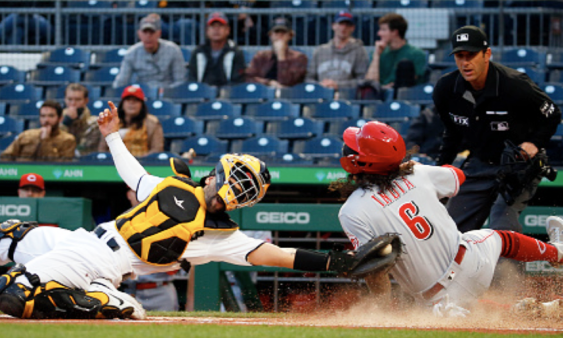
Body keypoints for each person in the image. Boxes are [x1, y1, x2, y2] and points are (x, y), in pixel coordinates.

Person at [0, 102, 394, 320]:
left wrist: (341, 263)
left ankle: (83, 296)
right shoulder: (173, 185)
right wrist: (111, 135)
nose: (234, 188)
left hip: (100, 263)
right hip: (80, 243)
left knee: (15, 295)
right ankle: (97, 298)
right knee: (12, 234)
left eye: (242, 186)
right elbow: (133, 173)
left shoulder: (220, 234)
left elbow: (282, 256)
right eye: (236, 179)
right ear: (215, 174)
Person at [332, 121, 563, 318]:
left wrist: (381, 311)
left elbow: (376, 270)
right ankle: (561, 254)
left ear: (356, 162)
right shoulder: (417, 172)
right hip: (474, 260)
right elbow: (458, 178)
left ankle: (504, 311)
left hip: (438, 298)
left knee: (458, 310)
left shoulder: (351, 211)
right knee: (500, 238)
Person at [433, 26, 562, 233]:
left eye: (472, 55)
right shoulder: (446, 89)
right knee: (450, 231)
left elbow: (552, 113)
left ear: (487, 54)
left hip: (518, 164)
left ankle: (511, 266)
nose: (466, 62)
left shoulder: (515, 84)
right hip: (479, 164)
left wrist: (534, 143)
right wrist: (440, 172)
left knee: (503, 225)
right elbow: (452, 134)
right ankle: (462, 266)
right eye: (460, 56)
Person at [120, 186, 179, 312]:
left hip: (160, 291)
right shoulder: (119, 223)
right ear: (128, 195)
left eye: (145, 189)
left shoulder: (166, 219)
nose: (140, 194)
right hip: (129, 291)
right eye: (135, 191)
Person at [112, 13, 187, 90]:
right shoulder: (132, 52)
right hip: (142, 94)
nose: (148, 36)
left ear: (159, 33)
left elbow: (180, 80)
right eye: (145, 32)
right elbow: (121, 82)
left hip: (168, 92)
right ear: (139, 34)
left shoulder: (173, 49)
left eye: (152, 32)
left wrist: (168, 91)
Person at [306, 11, 369, 91]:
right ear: (333, 26)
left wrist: (338, 85)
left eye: (347, 25)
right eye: (340, 24)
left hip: (347, 95)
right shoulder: (320, 51)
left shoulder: (359, 50)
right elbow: (309, 78)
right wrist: (320, 85)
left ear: (352, 28)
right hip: (321, 94)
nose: (343, 28)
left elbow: (362, 80)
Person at [97, 85, 164, 157]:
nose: (131, 103)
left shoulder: (152, 123)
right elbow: (102, 149)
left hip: (142, 164)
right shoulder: (111, 122)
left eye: (136, 100)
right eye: (128, 99)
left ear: (142, 105)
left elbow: (157, 149)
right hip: (112, 164)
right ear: (122, 103)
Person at [365, 13, 426, 90]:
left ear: (395, 32)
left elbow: (411, 81)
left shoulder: (416, 54)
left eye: (383, 30)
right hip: (379, 95)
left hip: (403, 94)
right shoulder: (378, 53)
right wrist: (376, 55)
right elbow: (370, 82)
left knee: (405, 65)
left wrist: (392, 88)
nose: (379, 33)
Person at [0, 100, 76, 162]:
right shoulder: (26, 135)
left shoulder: (68, 140)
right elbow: (6, 157)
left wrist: (46, 140)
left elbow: (63, 167)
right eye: (43, 116)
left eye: (51, 116)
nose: (46, 120)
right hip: (22, 175)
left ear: (60, 118)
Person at [245, 16, 308, 89]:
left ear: (290, 35)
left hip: (289, 95)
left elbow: (288, 83)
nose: (279, 35)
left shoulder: (299, 57)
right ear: (270, 35)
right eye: (276, 32)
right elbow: (248, 78)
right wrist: (268, 83)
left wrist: (281, 56)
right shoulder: (261, 56)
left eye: (283, 32)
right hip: (262, 93)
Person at [188, 12, 246, 86]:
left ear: (227, 30)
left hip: (228, 95)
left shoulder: (236, 52)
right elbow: (192, 78)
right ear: (207, 31)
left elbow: (238, 80)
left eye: (220, 26)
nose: (216, 30)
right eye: (213, 26)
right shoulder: (198, 52)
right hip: (202, 95)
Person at [60, 83, 100, 156]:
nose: (73, 103)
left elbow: (84, 149)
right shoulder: (57, 120)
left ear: (86, 101)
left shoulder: (94, 123)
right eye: (69, 99)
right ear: (65, 100)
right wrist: (65, 124)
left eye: (78, 99)